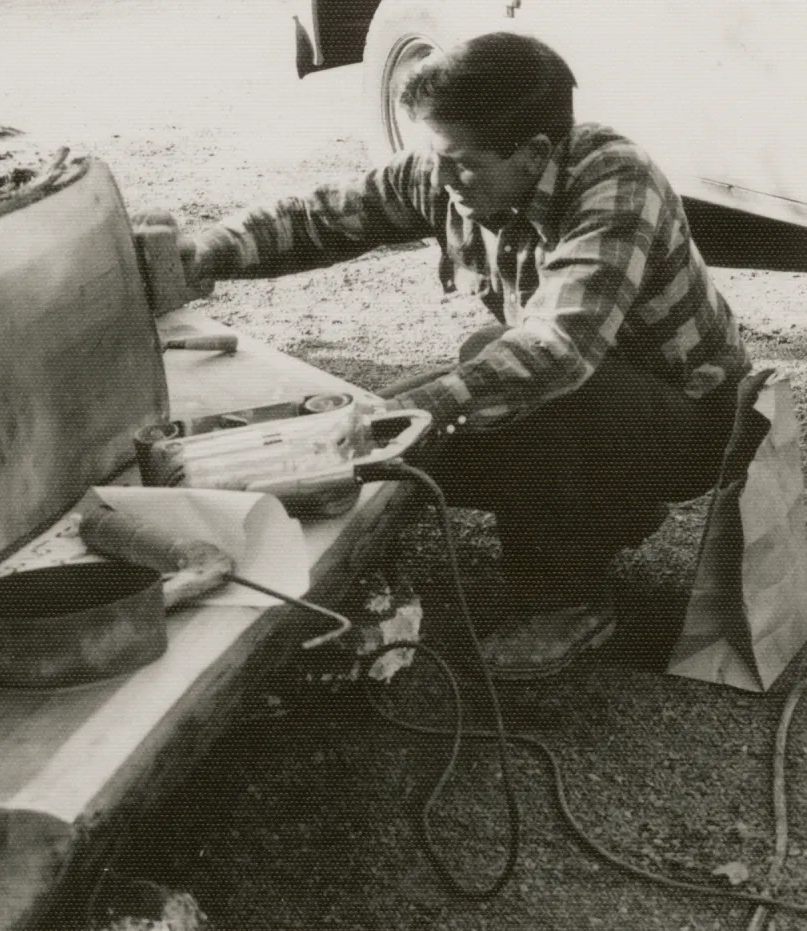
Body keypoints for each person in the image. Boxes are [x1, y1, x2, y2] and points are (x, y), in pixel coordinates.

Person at [175, 31, 752, 679]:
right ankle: (602, 506)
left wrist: (405, 414)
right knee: (407, 447)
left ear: (535, 155)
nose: (440, 180)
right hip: (608, 400)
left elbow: (556, 351)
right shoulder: (454, 165)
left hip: (696, 423)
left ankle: (571, 601)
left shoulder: (617, 181)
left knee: (473, 384)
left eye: (461, 164)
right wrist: (209, 249)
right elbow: (327, 215)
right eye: (435, 158)